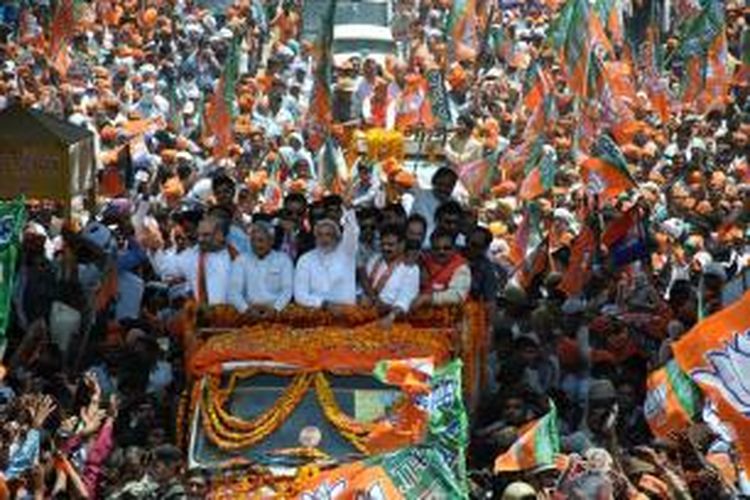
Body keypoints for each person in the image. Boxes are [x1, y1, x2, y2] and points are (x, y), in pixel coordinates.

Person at [294, 206, 360, 309]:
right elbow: (300, 295)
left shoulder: (347, 253)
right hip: (316, 314)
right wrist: (324, 304)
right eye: (320, 235)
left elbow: (353, 231)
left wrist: (349, 209)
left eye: (329, 235)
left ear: (337, 237)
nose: (324, 239)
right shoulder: (305, 260)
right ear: (315, 237)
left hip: (346, 313)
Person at [173, 215, 244, 309]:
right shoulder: (191, 256)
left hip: (230, 318)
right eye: (199, 235)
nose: (200, 239)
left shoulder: (236, 258)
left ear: (220, 235)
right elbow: (189, 289)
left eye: (206, 235)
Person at [233, 219, 294, 316]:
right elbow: (234, 291)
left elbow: (287, 290)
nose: (257, 245)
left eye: (261, 240)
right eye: (253, 241)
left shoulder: (283, 260)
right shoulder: (241, 260)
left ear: (271, 241)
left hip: (277, 312)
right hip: (248, 312)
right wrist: (246, 309)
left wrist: (275, 308)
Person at [361, 224, 420, 321]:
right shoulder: (374, 259)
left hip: (393, 321)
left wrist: (390, 315)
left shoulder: (410, 268)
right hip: (365, 315)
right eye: (383, 244)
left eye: (390, 245)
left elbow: (406, 299)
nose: (385, 248)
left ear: (402, 245)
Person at [412, 229, 471, 308]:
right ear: (431, 249)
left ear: (454, 249)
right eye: (437, 248)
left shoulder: (461, 268)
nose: (441, 252)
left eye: (446, 248)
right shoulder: (422, 262)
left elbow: (458, 296)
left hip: (450, 316)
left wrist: (429, 298)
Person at [410, 167, 461, 241]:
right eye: (441, 184)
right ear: (433, 182)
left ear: (453, 186)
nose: (443, 189)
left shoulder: (454, 202)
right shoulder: (422, 197)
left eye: (448, 186)